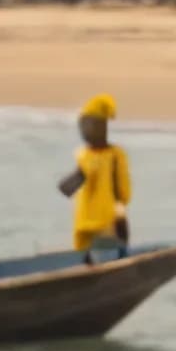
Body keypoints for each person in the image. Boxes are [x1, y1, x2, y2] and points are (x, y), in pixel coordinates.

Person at [59, 94, 131, 254]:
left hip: (84, 224)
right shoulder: (115, 155)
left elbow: (66, 188)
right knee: (109, 256)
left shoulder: (83, 155)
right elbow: (124, 192)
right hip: (105, 225)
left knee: (86, 259)